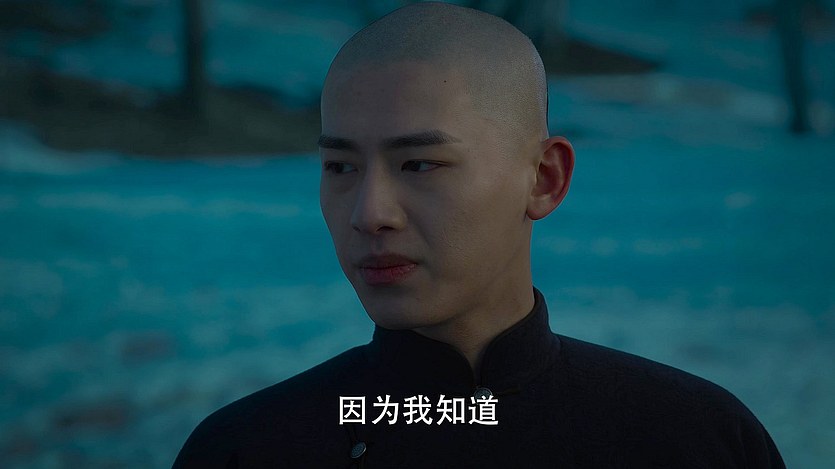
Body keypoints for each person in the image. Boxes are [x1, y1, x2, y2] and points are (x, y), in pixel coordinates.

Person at [173, 2, 785, 467]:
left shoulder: (693, 439)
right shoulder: (248, 449)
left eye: (419, 164)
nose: (369, 213)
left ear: (543, 179)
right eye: (340, 167)